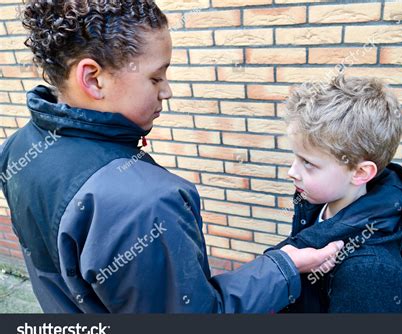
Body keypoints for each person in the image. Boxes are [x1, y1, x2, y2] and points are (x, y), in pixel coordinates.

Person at [0, 0, 343, 313]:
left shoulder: (18, 147)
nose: (167, 90)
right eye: (156, 77)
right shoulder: (144, 203)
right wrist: (284, 267)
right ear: (93, 78)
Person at [267, 75, 402, 313]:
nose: (291, 172)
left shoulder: (369, 270)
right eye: (295, 157)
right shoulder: (318, 202)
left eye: (308, 163)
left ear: (360, 172)